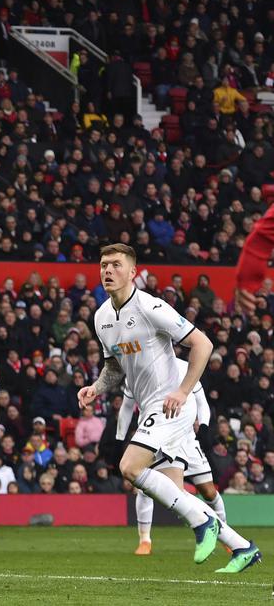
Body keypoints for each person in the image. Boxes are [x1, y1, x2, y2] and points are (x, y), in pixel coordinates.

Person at [79, 243, 259, 573]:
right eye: (104, 264)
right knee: (173, 491)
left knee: (130, 467)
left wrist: (183, 390)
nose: (107, 270)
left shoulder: (150, 307)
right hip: (152, 408)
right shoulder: (102, 317)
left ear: (133, 272)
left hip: (172, 405)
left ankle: (204, 524)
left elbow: (203, 344)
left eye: (116, 265)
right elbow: (114, 368)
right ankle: (243, 548)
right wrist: (96, 387)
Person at [117, 361, 225, 556]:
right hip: (154, 435)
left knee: (208, 491)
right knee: (144, 487)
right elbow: (126, 407)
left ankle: (225, 533)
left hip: (185, 438)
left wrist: (205, 428)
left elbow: (202, 403)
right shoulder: (136, 370)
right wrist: (120, 439)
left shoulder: (186, 367)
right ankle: (145, 540)